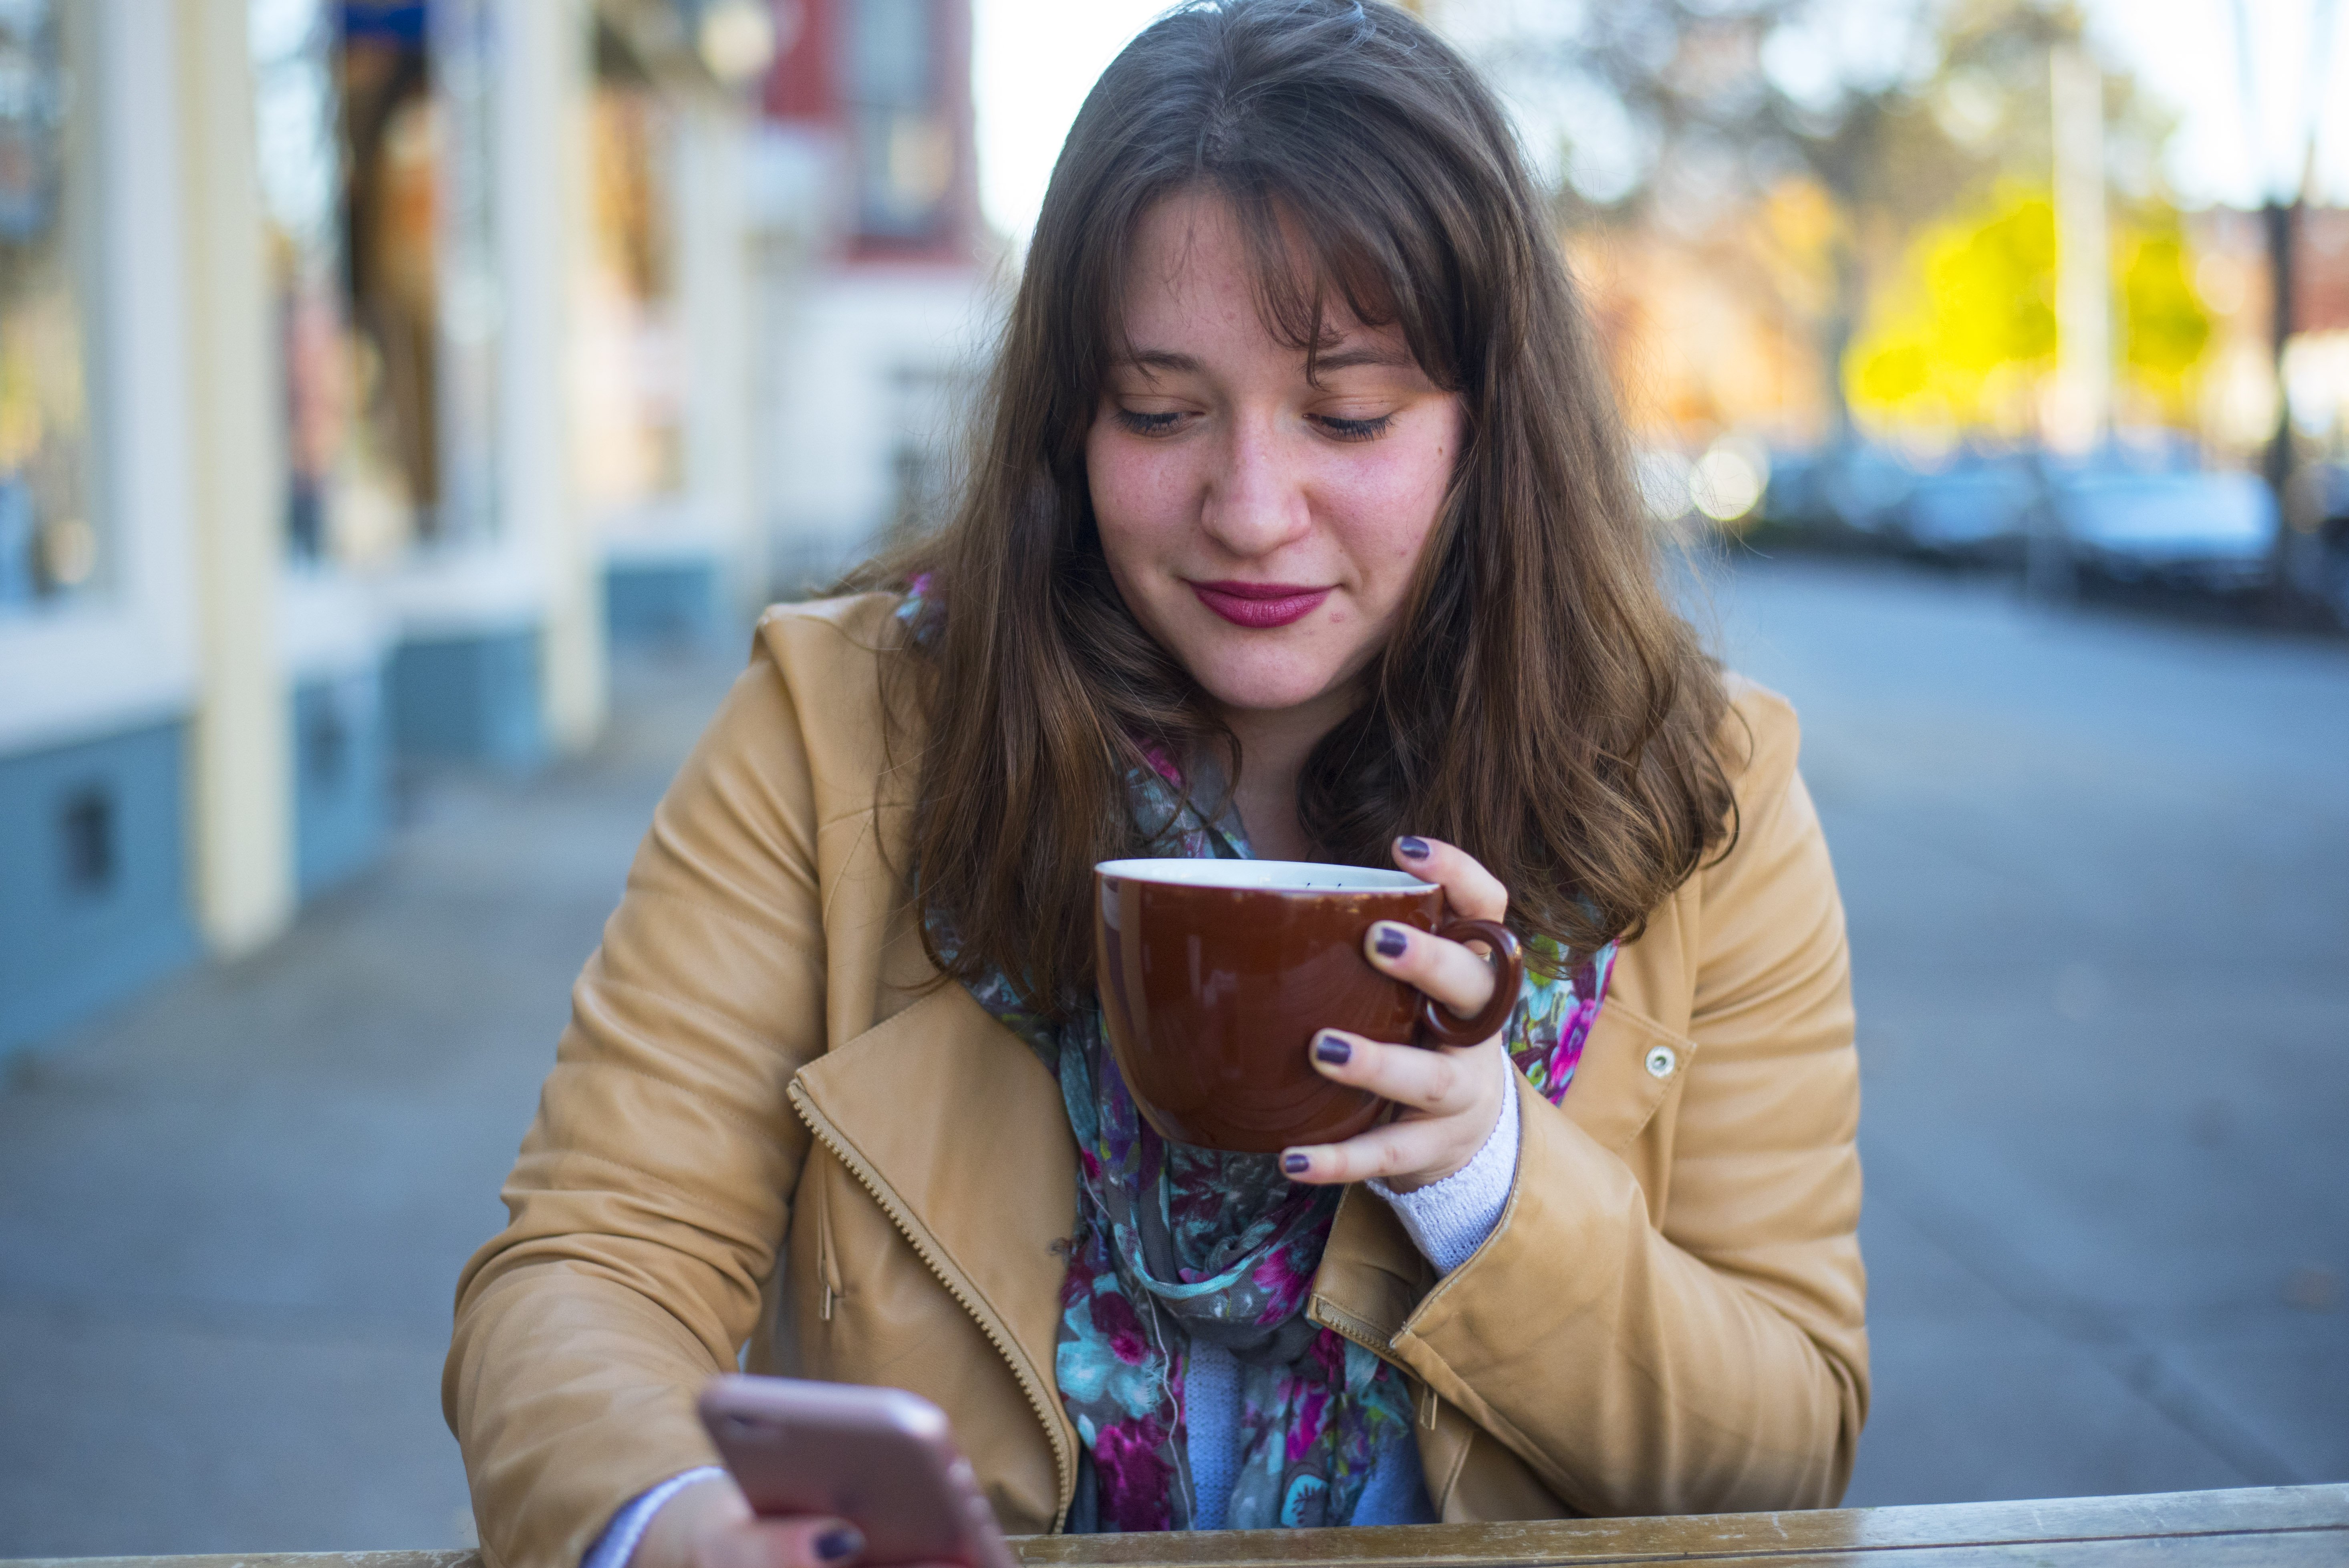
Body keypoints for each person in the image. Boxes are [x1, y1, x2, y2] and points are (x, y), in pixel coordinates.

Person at [444, 4, 1866, 1567]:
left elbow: (1788, 1432)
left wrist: (1485, 1170)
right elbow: (590, 1264)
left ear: (1487, 432)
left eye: (1346, 415)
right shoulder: (838, 731)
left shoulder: (1697, 794)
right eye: (1160, 410)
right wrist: (677, 1525)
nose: (1248, 510)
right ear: (1068, 417)